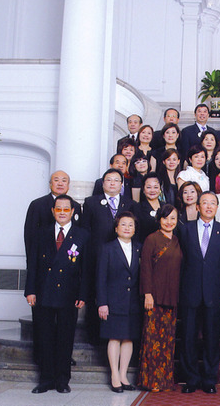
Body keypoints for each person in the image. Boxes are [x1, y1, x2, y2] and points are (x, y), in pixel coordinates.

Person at [24, 194, 89, 394]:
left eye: (66, 209)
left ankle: (62, 380)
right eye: (58, 209)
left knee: (65, 338)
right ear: (53, 211)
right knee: (44, 336)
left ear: (72, 211)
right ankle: (46, 379)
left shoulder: (82, 235)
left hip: (69, 294)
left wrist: (83, 294)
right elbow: (32, 264)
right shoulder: (41, 233)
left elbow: (86, 269)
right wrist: (30, 290)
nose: (62, 213)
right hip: (43, 292)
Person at [178, 192, 220, 394]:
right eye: (205, 203)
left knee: (211, 337)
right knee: (188, 337)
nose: (209, 206)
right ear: (197, 207)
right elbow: (180, 261)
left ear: (217, 207)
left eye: (212, 203)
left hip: (214, 291)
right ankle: (191, 379)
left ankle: (209, 379)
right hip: (189, 291)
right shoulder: (185, 229)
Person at [82, 168, 137, 343]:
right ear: (103, 183)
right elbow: (85, 231)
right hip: (97, 258)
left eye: (116, 180)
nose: (112, 183)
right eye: (108, 180)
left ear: (122, 184)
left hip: (122, 259)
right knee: (97, 294)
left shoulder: (129, 204)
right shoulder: (91, 202)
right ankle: (94, 338)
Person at [138, 204, 183, 392]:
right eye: (165, 218)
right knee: (152, 340)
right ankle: (151, 381)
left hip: (171, 297)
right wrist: (147, 293)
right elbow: (145, 268)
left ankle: (165, 381)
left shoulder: (177, 240)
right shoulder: (152, 239)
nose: (169, 222)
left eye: (173, 218)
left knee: (167, 341)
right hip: (154, 297)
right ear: (159, 219)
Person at [96, 212, 141, 393]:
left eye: (131, 225)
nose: (127, 228)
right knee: (114, 338)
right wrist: (102, 302)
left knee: (128, 338)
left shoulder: (139, 248)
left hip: (133, 302)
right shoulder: (107, 248)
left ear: (135, 229)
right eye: (123, 224)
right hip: (113, 301)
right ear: (116, 228)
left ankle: (123, 375)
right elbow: (100, 278)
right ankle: (114, 375)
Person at [130, 172, 163, 243]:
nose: (152, 190)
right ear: (143, 190)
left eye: (156, 187)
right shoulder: (137, 208)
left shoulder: (166, 206)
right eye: (148, 187)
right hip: (145, 246)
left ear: (160, 189)